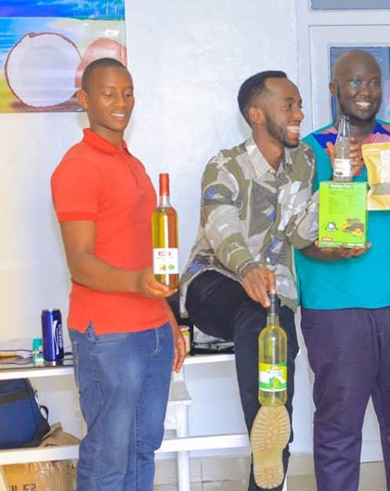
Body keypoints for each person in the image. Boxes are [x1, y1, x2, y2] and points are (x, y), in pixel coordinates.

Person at [295, 50, 390, 491]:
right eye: (355, 82)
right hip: (334, 306)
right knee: (338, 426)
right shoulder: (309, 151)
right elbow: (295, 227)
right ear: (334, 89)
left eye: (374, 83)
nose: (366, 91)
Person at [50, 57, 186, 491]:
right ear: (84, 100)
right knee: (109, 456)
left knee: (143, 447)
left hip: (152, 331)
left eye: (127, 93)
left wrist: (168, 317)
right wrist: (135, 283)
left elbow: (140, 253)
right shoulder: (78, 166)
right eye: (109, 93)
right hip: (108, 336)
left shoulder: (132, 164)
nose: (121, 102)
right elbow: (81, 261)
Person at [180, 70, 316, 490]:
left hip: (270, 300)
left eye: (299, 104)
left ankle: (270, 448)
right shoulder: (226, 165)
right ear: (256, 114)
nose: (299, 113)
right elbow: (222, 229)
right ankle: (268, 432)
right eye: (288, 105)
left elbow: (300, 231)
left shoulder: (305, 162)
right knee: (256, 311)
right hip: (214, 282)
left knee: (271, 323)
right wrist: (247, 268)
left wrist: (341, 218)